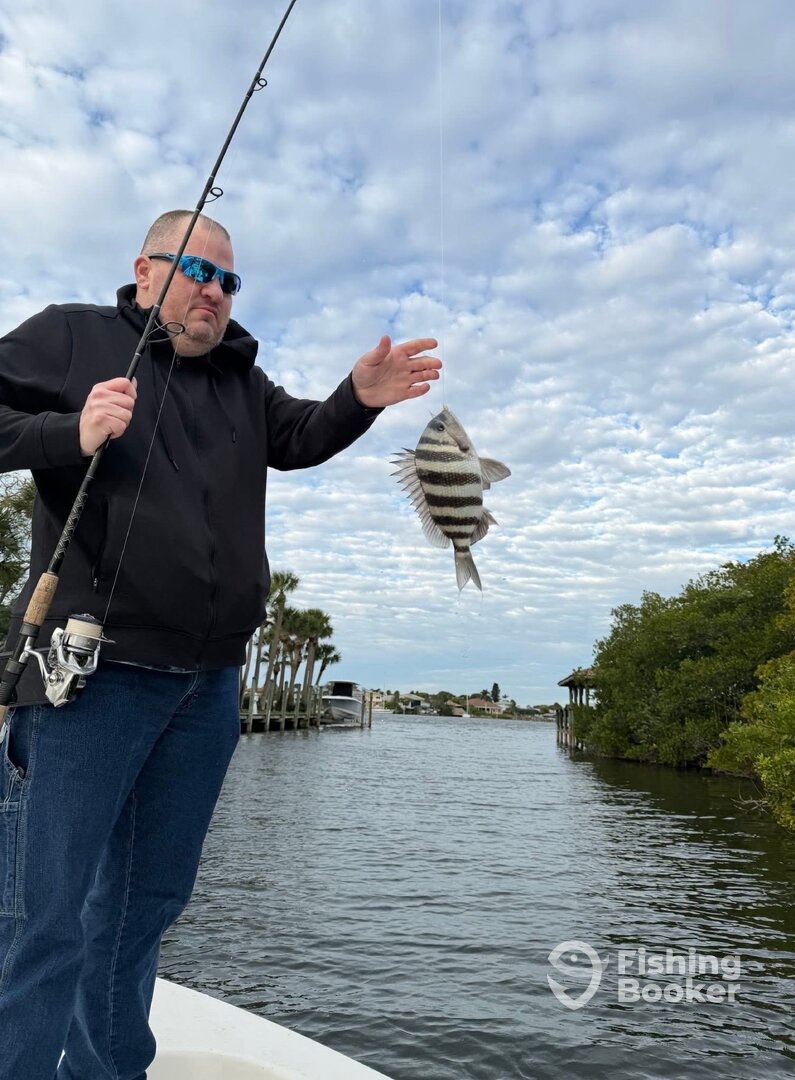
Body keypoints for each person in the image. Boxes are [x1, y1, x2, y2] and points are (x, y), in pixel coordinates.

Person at [0, 209, 441, 1080]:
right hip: (90, 678)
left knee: (145, 906)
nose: (214, 291)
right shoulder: (72, 337)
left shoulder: (243, 377)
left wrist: (358, 397)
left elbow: (300, 437)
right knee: (41, 915)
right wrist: (66, 433)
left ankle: (105, 1072)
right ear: (144, 270)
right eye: (196, 270)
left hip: (206, 690)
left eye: (228, 280)